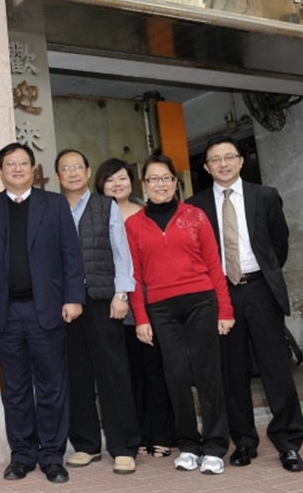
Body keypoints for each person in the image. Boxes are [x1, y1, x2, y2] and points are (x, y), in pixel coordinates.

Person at [187, 136, 303, 472]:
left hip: (259, 290)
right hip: (220, 293)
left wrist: (262, 277)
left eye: (229, 157)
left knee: (275, 368)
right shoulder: (195, 207)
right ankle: (244, 441)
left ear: (240, 161)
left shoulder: (265, 196)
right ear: (207, 167)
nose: (223, 164)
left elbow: (278, 245)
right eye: (215, 159)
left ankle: (288, 442)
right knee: (231, 370)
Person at [0, 143, 85, 485]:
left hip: (49, 311)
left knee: (52, 385)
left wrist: (73, 298)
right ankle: (22, 454)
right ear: (1, 170)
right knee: (15, 388)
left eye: (24, 163)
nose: (18, 168)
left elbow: (72, 255)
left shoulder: (53, 205)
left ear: (33, 169)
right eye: (10, 163)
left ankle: (53, 455)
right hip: (5, 313)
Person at [126, 154, 234, 476]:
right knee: (175, 377)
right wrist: (141, 318)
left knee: (207, 375)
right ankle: (188, 444)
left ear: (175, 182)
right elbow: (135, 277)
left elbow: (215, 265)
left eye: (166, 178)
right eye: (153, 179)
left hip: (201, 302)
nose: (160, 184)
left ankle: (215, 445)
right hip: (161, 309)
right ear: (144, 186)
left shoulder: (196, 216)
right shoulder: (134, 224)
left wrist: (225, 308)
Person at [54, 150, 140, 475]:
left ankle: (123, 446)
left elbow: (122, 252)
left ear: (88, 172)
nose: (73, 173)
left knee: (113, 373)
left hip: (104, 300)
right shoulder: (54, 208)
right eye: (66, 169)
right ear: (57, 176)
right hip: (68, 304)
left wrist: (122, 294)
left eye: (78, 167)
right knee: (76, 375)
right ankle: (87, 444)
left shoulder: (106, 207)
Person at [96, 158, 175, 459]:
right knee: (129, 374)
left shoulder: (147, 213)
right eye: (109, 179)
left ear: (133, 182)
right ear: (100, 185)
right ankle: (139, 434)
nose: (117, 184)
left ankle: (162, 434)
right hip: (116, 307)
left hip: (151, 302)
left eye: (122, 178)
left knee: (156, 369)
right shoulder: (97, 215)